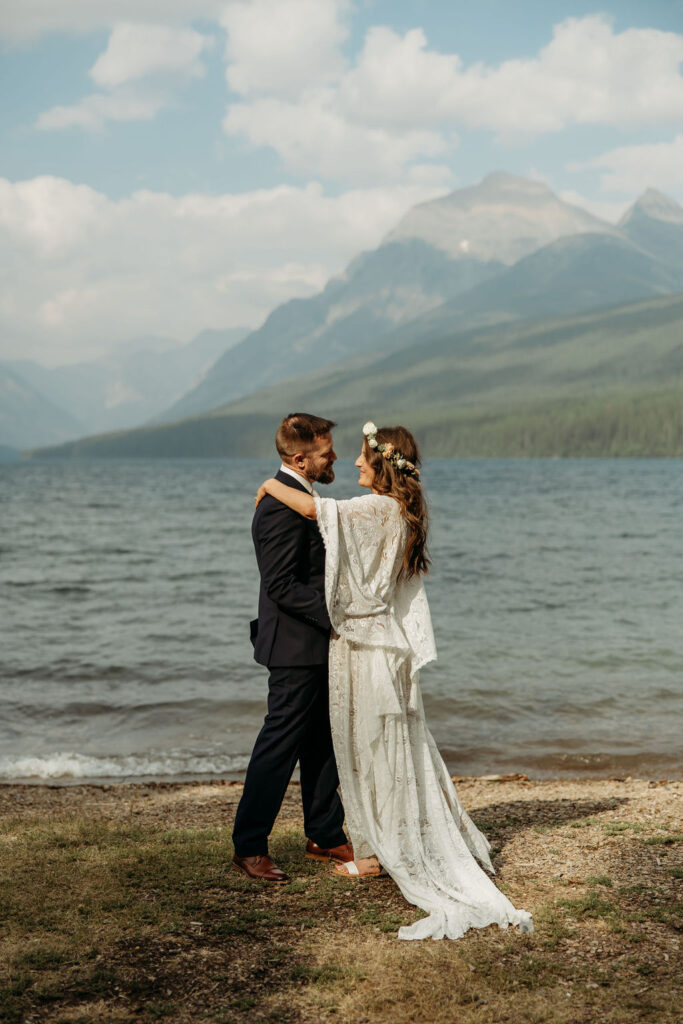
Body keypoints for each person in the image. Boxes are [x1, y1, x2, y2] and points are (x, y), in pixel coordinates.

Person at [254, 421, 533, 940]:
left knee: (372, 748)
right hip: (363, 642)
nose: (352, 463)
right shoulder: (398, 511)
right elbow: (299, 575)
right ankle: (344, 843)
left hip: (363, 645)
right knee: (362, 746)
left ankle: (375, 850)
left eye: (360, 457)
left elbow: (319, 513)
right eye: (339, 454)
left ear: (382, 463)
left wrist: (271, 485)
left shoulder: (373, 508)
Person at [232, 413, 353, 883]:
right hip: (293, 647)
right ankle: (249, 845)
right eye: (327, 452)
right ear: (301, 458)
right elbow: (281, 586)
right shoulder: (279, 509)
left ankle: (324, 833)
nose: (335, 457)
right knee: (278, 747)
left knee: (323, 742)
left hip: (314, 644)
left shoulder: (296, 497)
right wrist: (339, 615)